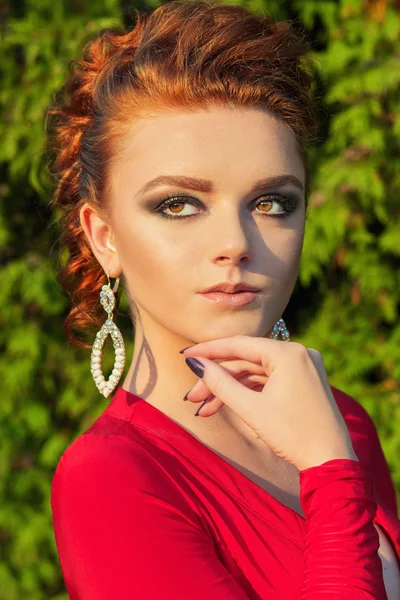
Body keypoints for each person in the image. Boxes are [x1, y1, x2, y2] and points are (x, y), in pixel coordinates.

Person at [47, 1, 400, 597]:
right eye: (179, 204)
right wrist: (330, 476)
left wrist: (331, 453)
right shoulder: (109, 479)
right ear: (104, 237)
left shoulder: (343, 423)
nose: (236, 243)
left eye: (272, 203)